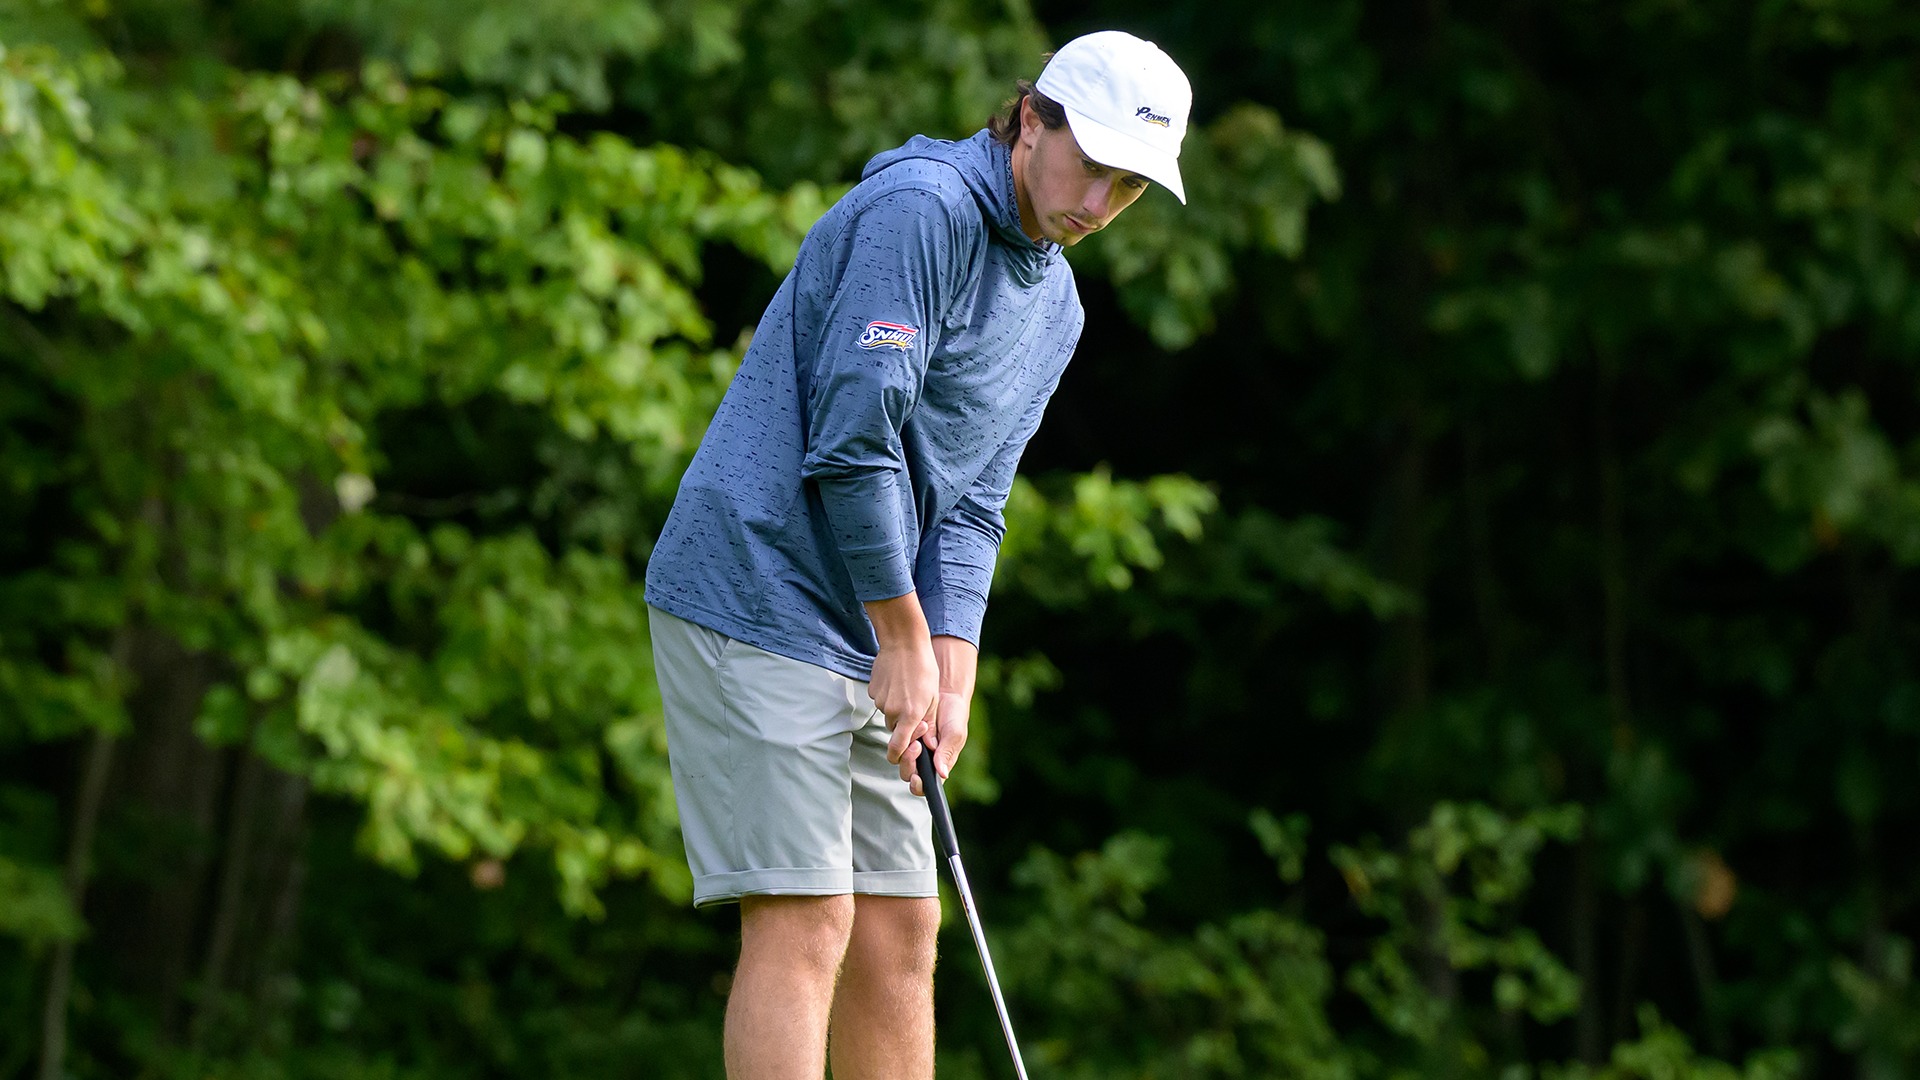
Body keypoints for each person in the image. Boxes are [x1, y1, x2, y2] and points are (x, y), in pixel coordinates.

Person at [643, 29, 1192, 1080]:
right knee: (810, 916)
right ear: (1030, 120)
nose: (1100, 203)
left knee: (902, 934)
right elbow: (853, 443)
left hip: (873, 617)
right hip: (757, 586)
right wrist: (902, 635)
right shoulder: (923, 211)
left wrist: (952, 667)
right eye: (1092, 165)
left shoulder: (1057, 305)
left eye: (1128, 187)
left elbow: (976, 504)